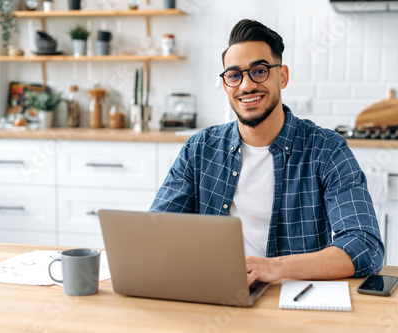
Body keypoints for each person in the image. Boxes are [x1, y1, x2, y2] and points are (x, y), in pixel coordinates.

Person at [150, 19, 384, 285]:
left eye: (259, 71)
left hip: (294, 301)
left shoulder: (327, 150)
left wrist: (276, 268)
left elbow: (365, 246)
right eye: (234, 75)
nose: (246, 86)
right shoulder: (199, 149)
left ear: (282, 76)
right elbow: (157, 232)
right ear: (226, 84)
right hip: (215, 294)